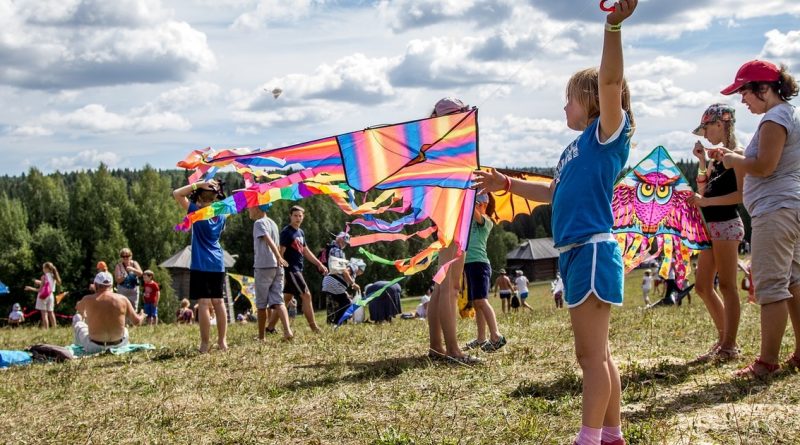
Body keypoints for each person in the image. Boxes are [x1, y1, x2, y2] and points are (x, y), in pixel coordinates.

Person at [474, 2, 638, 443]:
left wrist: (613, 26)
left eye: (569, 97)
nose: (563, 104)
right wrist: (505, 182)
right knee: (600, 355)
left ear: (591, 101)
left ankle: (587, 438)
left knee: (589, 358)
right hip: (576, 253)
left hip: (590, 250)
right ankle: (611, 434)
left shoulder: (606, 135)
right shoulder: (576, 149)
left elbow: (610, 80)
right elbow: (551, 193)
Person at [709, 59, 800, 377]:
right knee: (794, 281)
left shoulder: (774, 119)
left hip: (775, 211)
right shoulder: (786, 114)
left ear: (763, 88)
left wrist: (733, 158)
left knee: (772, 285)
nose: (742, 101)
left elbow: (764, 167)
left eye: (744, 93)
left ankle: (766, 362)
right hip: (788, 207)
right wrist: (737, 157)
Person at [686, 103, 745, 362]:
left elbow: (741, 195)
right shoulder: (717, 158)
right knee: (702, 286)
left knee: (729, 286)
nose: (705, 134)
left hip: (726, 225)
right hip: (711, 228)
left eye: (707, 128)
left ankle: (729, 346)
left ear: (721, 124)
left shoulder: (738, 154)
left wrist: (706, 203)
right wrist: (702, 161)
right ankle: (724, 341)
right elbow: (704, 186)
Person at [425, 97, 479, 364]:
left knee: (442, 284)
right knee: (450, 285)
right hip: (449, 215)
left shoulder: (440, 146)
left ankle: (437, 346)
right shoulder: (444, 147)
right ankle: (453, 351)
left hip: (448, 214)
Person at [173, 179, 229, 353]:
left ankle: (205, 344)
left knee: (204, 304)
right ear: (215, 197)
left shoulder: (196, 212)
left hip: (200, 262)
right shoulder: (222, 213)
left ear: (198, 198)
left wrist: (199, 184)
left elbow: (177, 193)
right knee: (219, 303)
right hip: (217, 263)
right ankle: (222, 342)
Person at [463, 193, 507, 352]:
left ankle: (496, 336)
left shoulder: (486, 221)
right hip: (469, 264)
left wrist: (468, 198)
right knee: (476, 303)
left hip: (480, 264)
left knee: (481, 301)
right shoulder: (471, 222)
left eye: (477, 204)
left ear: (483, 205)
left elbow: (472, 211)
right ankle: (482, 338)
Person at [279, 205, 328, 333]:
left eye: (300, 216)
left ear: (303, 217)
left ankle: (270, 327)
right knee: (306, 295)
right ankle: (313, 327)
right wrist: (281, 271)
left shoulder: (300, 232)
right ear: (290, 216)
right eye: (295, 215)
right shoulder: (286, 232)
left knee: (286, 299)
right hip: (291, 270)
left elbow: (305, 251)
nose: (298, 218)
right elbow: (280, 252)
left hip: (298, 269)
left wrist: (319, 264)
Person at [72, 272, 145, 354]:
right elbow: (137, 322)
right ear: (111, 285)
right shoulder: (123, 299)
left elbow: (78, 308)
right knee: (125, 329)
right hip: (119, 344)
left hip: (94, 347)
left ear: (95, 285)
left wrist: (83, 311)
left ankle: (77, 346)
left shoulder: (88, 299)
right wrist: (142, 315)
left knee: (77, 319)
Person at [248, 205, 291, 340]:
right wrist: (279, 258)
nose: (249, 210)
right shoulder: (273, 223)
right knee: (279, 300)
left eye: (250, 208)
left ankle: (261, 337)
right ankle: (288, 331)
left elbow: (268, 239)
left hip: (264, 266)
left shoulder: (258, 223)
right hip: (277, 267)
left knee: (261, 304)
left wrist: (278, 255)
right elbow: (276, 242)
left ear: (257, 209)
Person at [322, 232, 363, 324]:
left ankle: (333, 322)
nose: (345, 245)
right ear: (340, 239)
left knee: (337, 304)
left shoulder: (330, 248)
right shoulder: (338, 251)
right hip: (334, 281)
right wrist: (353, 284)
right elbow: (344, 271)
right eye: (345, 242)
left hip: (328, 280)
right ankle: (336, 323)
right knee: (347, 304)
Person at [25, 262, 61, 329]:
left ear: (46, 268)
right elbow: (48, 285)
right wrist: (39, 282)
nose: (43, 269)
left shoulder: (44, 276)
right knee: (51, 312)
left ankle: (46, 329)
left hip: (43, 296)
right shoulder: (54, 276)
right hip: (51, 296)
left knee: (44, 314)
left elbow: (39, 290)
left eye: (43, 268)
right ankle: (54, 328)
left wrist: (30, 288)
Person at [115, 248, 143, 312]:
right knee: (122, 309)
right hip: (122, 291)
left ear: (131, 256)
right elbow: (118, 280)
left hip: (134, 290)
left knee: (133, 310)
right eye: (123, 256)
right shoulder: (118, 266)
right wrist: (124, 276)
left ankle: (131, 322)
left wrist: (133, 269)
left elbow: (140, 273)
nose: (125, 258)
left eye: (127, 256)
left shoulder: (134, 263)